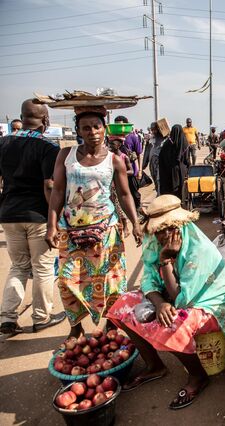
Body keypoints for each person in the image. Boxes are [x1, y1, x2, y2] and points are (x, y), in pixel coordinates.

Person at [106, 195, 225, 409]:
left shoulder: (198, 250)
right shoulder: (153, 243)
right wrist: (159, 302)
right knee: (122, 305)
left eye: (168, 229)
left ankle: (198, 376)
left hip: (213, 303)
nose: (163, 236)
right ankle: (154, 366)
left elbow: (185, 300)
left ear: (180, 225)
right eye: (158, 230)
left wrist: (166, 261)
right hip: (175, 297)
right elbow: (148, 279)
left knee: (173, 324)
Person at [45, 105, 142, 338]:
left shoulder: (114, 160)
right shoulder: (65, 155)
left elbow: (125, 194)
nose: (92, 132)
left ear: (105, 128)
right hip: (71, 230)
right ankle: (75, 327)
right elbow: (58, 191)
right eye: (86, 127)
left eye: (97, 126)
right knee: (68, 282)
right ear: (78, 130)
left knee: (110, 281)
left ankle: (112, 324)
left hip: (105, 229)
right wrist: (51, 225)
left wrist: (136, 222)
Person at [0, 99, 65, 335]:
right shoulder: (48, 148)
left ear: (21, 117)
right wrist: (54, 221)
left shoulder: (3, 143)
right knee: (43, 268)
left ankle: (7, 318)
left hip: (9, 214)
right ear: (45, 120)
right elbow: (49, 186)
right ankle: (41, 317)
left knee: (18, 267)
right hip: (37, 214)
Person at [114, 115, 143, 212]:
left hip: (131, 170)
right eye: (117, 126)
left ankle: (138, 208)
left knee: (134, 192)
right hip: (117, 170)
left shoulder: (133, 137)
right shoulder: (113, 138)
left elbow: (138, 154)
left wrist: (139, 171)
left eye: (121, 125)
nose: (119, 128)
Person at [107, 136, 134, 235]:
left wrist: (120, 173)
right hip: (111, 186)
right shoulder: (109, 157)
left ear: (119, 145)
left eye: (112, 144)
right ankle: (117, 226)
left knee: (120, 207)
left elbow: (131, 171)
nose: (110, 146)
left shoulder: (124, 157)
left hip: (120, 185)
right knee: (111, 206)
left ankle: (126, 226)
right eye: (109, 144)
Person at [159, 125, 189, 198]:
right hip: (181, 171)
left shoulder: (167, 144)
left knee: (170, 191)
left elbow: (161, 158)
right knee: (181, 190)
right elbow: (187, 159)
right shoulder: (185, 143)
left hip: (169, 171)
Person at [142, 121, 166, 196]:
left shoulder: (165, 139)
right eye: (152, 129)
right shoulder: (150, 140)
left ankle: (159, 196)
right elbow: (146, 152)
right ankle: (158, 192)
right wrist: (143, 165)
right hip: (152, 165)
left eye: (155, 129)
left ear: (159, 129)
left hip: (161, 164)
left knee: (160, 180)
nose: (153, 131)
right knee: (155, 180)